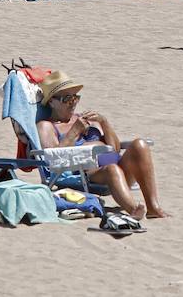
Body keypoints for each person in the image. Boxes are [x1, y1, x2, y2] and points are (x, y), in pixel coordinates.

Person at [36, 72, 165, 219]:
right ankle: (133, 210)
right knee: (111, 168)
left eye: (75, 97)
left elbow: (115, 150)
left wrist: (104, 122)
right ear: (52, 102)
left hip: (114, 166)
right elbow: (54, 160)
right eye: (67, 98)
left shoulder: (84, 119)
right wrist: (74, 132)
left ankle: (153, 207)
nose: (73, 102)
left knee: (140, 145)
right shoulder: (46, 126)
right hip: (86, 173)